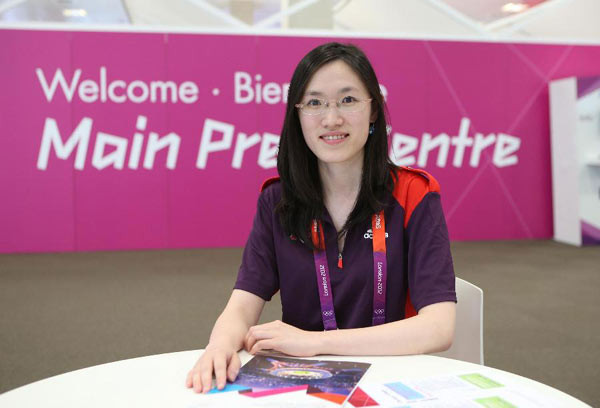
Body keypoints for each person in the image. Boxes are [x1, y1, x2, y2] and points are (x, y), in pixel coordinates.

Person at [186, 42, 457, 394]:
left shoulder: (414, 194)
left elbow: (439, 328)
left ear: (373, 109)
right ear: (297, 115)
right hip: (301, 385)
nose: (332, 119)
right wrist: (219, 345)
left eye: (348, 100)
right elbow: (242, 304)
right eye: (315, 103)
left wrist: (314, 342)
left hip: (392, 381)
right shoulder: (277, 201)